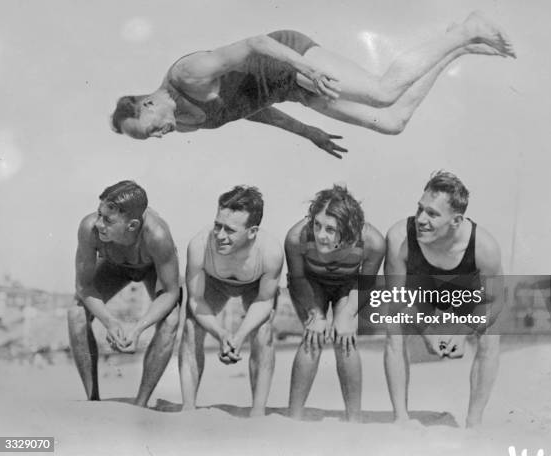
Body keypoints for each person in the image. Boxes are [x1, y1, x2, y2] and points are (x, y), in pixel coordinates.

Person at [111, 12, 515, 159]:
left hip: (289, 55)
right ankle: (456, 46)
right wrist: (308, 132)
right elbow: (247, 110)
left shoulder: (187, 75)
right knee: (392, 123)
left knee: (382, 92)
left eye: (152, 131)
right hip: (292, 88)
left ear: (146, 105)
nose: (162, 135)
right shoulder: (182, 122)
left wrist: (309, 68)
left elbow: (256, 42)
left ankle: (469, 28)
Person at [383, 171, 503, 428]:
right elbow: (396, 301)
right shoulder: (398, 238)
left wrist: (462, 332)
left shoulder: (484, 247)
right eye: (420, 209)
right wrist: (427, 332)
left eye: (433, 214)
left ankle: (474, 422)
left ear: (456, 220)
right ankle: (401, 418)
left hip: (463, 292)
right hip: (423, 291)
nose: (421, 220)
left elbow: (495, 302)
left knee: (492, 332)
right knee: (392, 325)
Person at [67, 180, 181, 407]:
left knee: (172, 319)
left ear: (132, 225)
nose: (99, 223)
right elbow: (83, 286)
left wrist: (138, 328)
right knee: (76, 312)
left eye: (107, 220)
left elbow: (170, 292)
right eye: (99, 214)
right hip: (114, 266)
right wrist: (109, 322)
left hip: (150, 268)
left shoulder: (157, 235)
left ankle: (141, 403)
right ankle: (93, 399)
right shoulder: (89, 229)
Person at [178, 186, 283, 416]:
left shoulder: (271, 251)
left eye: (230, 230)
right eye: (218, 225)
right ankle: (188, 407)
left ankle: (257, 411)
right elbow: (195, 299)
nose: (220, 235)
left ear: (252, 231)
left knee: (263, 329)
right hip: (214, 283)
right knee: (190, 325)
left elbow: (265, 300)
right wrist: (222, 334)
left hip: (253, 286)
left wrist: (239, 336)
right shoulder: (199, 245)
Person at [286, 185, 385, 422]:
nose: (321, 235)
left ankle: (354, 418)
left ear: (349, 228)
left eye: (331, 229)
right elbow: (297, 279)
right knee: (313, 335)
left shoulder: (372, 243)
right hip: (311, 283)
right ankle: (294, 417)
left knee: (345, 338)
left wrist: (347, 313)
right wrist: (315, 314)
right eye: (317, 225)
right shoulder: (297, 237)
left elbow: (366, 283)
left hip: (349, 284)